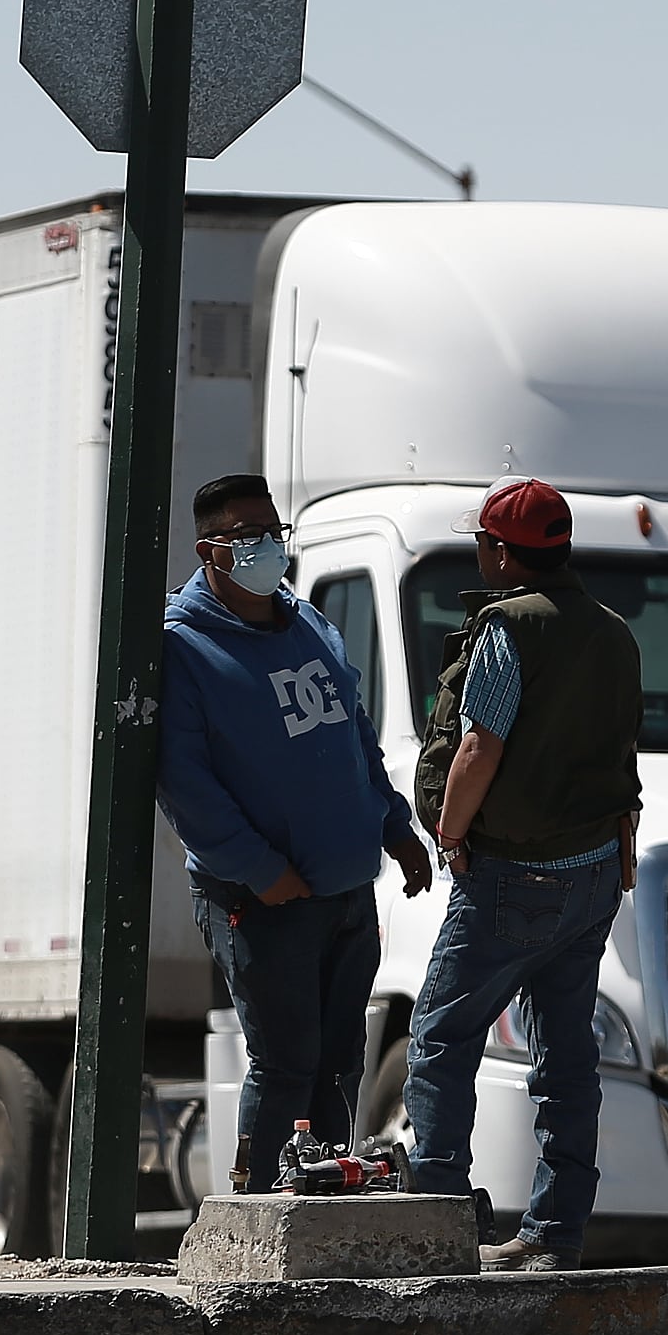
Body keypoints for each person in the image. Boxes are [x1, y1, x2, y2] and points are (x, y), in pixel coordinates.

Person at [158, 474, 434, 1190]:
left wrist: (395, 826)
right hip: (265, 902)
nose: (265, 547)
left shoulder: (310, 623)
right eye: (247, 536)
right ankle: (258, 1209)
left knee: (339, 1063)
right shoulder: (183, 648)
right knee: (285, 1064)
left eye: (271, 532)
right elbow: (187, 786)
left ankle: (323, 1196)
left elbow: (355, 738)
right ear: (210, 551)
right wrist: (260, 869)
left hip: (345, 892)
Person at [402, 478, 644, 1273]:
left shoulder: (509, 627)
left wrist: (449, 829)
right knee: (565, 1058)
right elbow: (619, 756)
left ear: (503, 553)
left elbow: (479, 746)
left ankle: (437, 1224)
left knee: (442, 1037)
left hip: (513, 876)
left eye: (482, 544)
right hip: (593, 875)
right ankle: (553, 1233)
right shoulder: (613, 633)